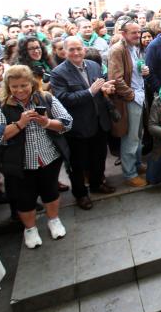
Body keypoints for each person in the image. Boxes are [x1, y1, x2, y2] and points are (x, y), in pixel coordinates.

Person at [0, 65, 73, 249]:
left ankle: (53, 220)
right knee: (24, 197)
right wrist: (20, 123)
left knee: (50, 191)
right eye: (14, 86)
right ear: (7, 86)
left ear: (31, 84)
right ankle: (30, 229)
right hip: (18, 162)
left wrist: (47, 122)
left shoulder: (46, 98)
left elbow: (67, 123)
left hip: (48, 156)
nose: (19, 90)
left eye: (24, 85)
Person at [50, 36, 117, 210]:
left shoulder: (94, 65)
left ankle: (97, 184)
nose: (76, 52)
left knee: (99, 156)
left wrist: (106, 88)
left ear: (84, 49)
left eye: (79, 48)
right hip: (78, 126)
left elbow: (101, 83)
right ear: (65, 52)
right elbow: (62, 99)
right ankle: (80, 194)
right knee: (78, 164)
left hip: (99, 121)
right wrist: (90, 92)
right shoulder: (58, 73)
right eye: (71, 49)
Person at [108, 21, 150, 187]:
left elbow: (134, 72)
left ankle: (137, 164)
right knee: (131, 138)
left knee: (138, 136)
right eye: (134, 33)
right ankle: (129, 173)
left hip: (139, 96)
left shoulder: (134, 47)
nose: (138, 35)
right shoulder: (117, 50)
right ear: (123, 33)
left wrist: (144, 72)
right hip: (130, 99)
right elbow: (116, 79)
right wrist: (131, 95)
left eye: (139, 32)